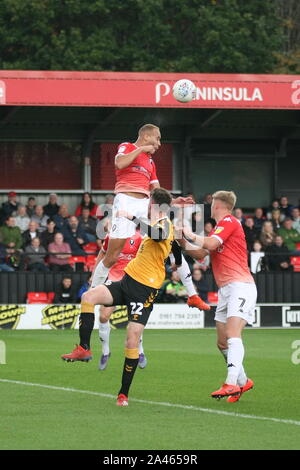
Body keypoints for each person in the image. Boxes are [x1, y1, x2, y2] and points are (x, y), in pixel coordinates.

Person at [61, 188, 182, 407]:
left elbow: (162, 236)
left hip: (144, 290)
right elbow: (173, 245)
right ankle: (84, 348)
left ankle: (123, 394)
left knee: (131, 336)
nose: (145, 204)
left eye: (148, 201)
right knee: (89, 297)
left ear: (153, 203)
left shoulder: (164, 223)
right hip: (127, 281)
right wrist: (178, 261)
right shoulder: (157, 223)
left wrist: (132, 217)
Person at [90, 123, 206, 310]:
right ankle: (92, 292)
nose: (159, 143)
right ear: (146, 136)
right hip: (125, 201)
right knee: (111, 258)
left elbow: (157, 191)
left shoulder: (151, 162)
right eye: (157, 138)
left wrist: (175, 201)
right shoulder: (127, 147)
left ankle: (192, 295)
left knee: (171, 242)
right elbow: (119, 163)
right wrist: (142, 149)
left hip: (145, 206)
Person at [179, 190, 256, 402]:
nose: (210, 207)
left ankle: (230, 383)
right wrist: (182, 243)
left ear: (219, 204)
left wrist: (190, 233)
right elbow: (202, 253)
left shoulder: (230, 221)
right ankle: (243, 381)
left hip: (241, 286)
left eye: (212, 203)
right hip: (226, 290)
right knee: (222, 342)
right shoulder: (219, 228)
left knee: (232, 334)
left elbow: (210, 245)